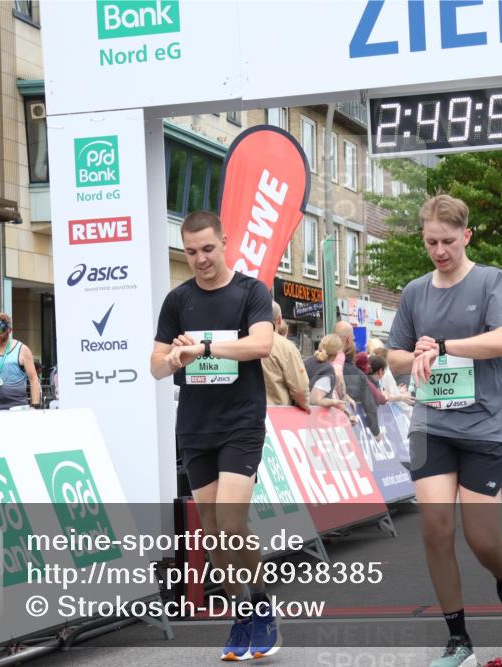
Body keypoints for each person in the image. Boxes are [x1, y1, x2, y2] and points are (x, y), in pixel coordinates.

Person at [387, 194, 502, 667]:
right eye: (431, 241)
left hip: (484, 426)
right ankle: (458, 639)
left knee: (482, 539)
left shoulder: (492, 281)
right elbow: (394, 356)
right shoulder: (414, 292)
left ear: (466, 236)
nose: (439, 250)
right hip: (432, 423)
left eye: (448, 241)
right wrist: (419, 354)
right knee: (435, 527)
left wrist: (445, 346)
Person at [148, 210, 279, 661]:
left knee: (230, 521)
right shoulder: (177, 300)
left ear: (224, 242)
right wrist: (175, 361)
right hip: (195, 426)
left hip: (241, 423)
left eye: (207, 249)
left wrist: (202, 347)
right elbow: (155, 364)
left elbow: (260, 345)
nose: (200, 259)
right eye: (190, 252)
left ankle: (260, 602)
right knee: (213, 530)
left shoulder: (250, 291)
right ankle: (243, 614)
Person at [261, 302, 310, 412]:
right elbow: (300, 389)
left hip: (242, 418)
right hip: (275, 416)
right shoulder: (286, 347)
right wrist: (305, 405)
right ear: (279, 320)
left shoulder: (240, 342)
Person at [305, 334, 352, 417]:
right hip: (311, 418)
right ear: (336, 354)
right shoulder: (327, 370)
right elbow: (315, 400)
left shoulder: (308, 361)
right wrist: (335, 402)